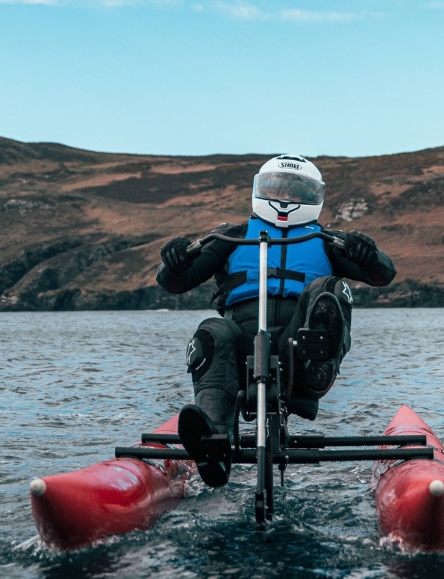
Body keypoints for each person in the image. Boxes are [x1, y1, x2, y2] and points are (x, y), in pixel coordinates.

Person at [155, 154, 397, 486]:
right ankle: (215, 441)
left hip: (298, 354)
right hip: (238, 353)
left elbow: (384, 273)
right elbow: (172, 282)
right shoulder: (230, 236)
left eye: (294, 192)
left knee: (328, 291)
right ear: (260, 189)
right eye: (275, 190)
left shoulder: (329, 242)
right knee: (212, 331)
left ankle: (316, 370)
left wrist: (366, 252)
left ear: (313, 197)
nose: (284, 199)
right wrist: (175, 259)